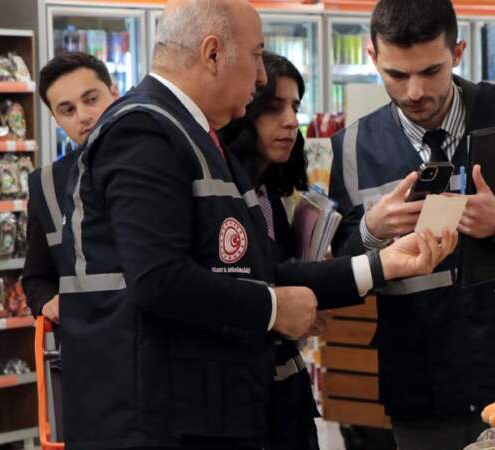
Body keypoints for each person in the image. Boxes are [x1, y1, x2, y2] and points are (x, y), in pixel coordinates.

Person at [55, 1, 457, 449]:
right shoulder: (144, 132)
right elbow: (157, 278)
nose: (262, 77)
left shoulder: (198, 138)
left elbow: (259, 269)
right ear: (211, 54)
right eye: (255, 55)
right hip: (153, 420)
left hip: (202, 410)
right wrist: (272, 308)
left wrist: (383, 266)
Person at [328, 0, 495, 448]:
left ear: (458, 52)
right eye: (396, 75)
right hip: (423, 390)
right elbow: (343, 267)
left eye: (430, 71)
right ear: (372, 57)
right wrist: (371, 230)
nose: (414, 92)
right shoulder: (351, 150)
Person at [219, 51, 319, 450]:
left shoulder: (270, 192)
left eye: (295, 107)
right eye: (274, 108)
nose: (291, 121)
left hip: (286, 387)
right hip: (244, 392)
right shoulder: (228, 194)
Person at [23, 52, 119, 324]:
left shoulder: (158, 161)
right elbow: (36, 277)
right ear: (55, 119)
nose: (84, 116)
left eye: (91, 99)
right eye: (67, 110)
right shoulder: (46, 184)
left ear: (114, 92)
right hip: (89, 348)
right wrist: (47, 301)